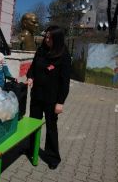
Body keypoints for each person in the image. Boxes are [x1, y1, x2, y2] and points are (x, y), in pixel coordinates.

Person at [26, 25, 71, 170]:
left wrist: (60, 102)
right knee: (33, 124)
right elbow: (33, 67)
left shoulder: (63, 54)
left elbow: (65, 81)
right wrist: (31, 77)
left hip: (52, 99)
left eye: (49, 38)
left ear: (56, 39)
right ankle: (31, 149)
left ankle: (52, 157)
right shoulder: (41, 50)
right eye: (46, 36)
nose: (46, 39)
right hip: (37, 95)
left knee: (51, 127)